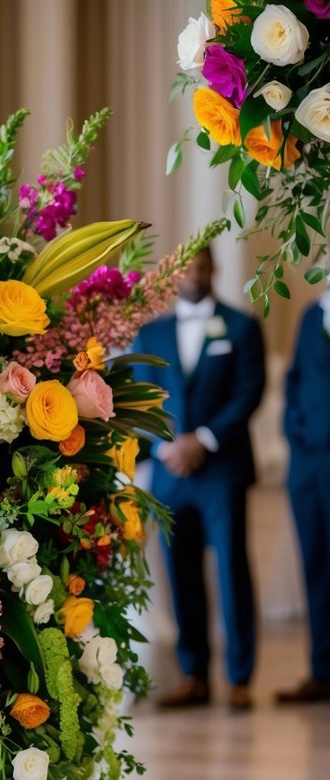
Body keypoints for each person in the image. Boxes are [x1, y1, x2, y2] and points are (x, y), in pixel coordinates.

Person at [132, 246, 266, 710]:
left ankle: (240, 677)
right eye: (187, 267)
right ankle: (194, 676)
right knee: (179, 571)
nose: (195, 274)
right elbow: (141, 399)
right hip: (170, 472)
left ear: (214, 269)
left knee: (231, 569)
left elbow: (250, 392)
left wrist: (204, 440)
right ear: (173, 273)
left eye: (203, 266)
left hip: (221, 468)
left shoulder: (242, 326)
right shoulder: (150, 333)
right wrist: (165, 446)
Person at [275, 286, 330, 704]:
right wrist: (294, 433)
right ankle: (321, 669)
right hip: (307, 464)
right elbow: (294, 379)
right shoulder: (313, 314)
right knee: (315, 563)